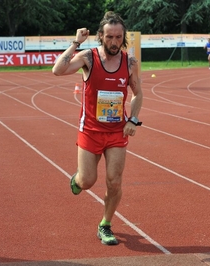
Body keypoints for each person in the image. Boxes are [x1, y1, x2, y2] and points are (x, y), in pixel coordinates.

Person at [52, 11, 143, 246]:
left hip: (116, 132)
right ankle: (78, 179)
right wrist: (75, 43)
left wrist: (133, 119)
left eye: (118, 37)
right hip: (90, 130)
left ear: (123, 38)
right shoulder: (88, 58)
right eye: (110, 37)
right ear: (101, 36)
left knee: (114, 182)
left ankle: (105, 224)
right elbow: (58, 70)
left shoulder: (130, 62)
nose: (114, 42)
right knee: (88, 181)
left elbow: (138, 93)